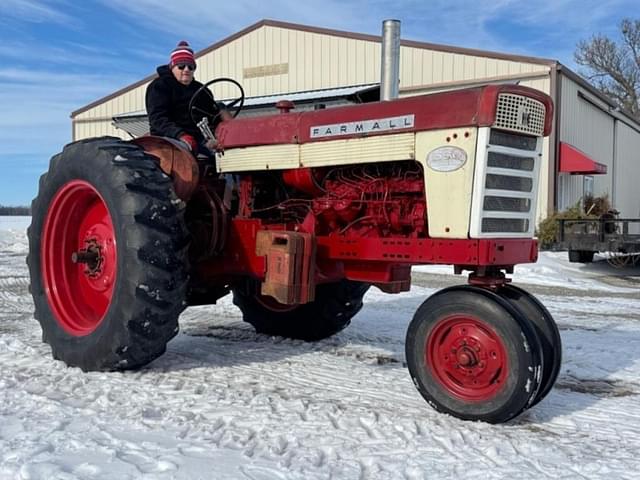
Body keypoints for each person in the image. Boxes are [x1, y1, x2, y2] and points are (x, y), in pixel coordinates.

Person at [145, 40, 229, 156]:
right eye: (181, 66)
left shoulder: (202, 90)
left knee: (227, 153)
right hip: (171, 138)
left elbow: (212, 117)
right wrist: (180, 135)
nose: (186, 70)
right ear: (172, 67)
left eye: (190, 67)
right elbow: (158, 119)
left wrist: (221, 117)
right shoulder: (160, 86)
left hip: (200, 139)